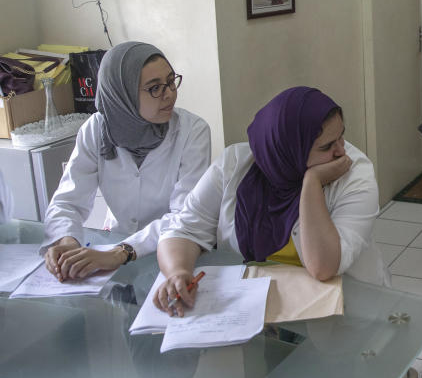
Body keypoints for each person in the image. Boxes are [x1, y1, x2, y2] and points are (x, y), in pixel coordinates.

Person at [154, 86, 390, 316]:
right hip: (254, 310)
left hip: (338, 313)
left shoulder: (354, 173)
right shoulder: (234, 165)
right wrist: (177, 272)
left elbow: (323, 266)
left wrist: (311, 184)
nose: (342, 152)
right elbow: (183, 229)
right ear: (286, 149)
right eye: (328, 146)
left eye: (342, 136)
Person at [41, 42, 211, 281]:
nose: (169, 93)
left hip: (177, 255)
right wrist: (68, 241)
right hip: (116, 255)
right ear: (123, 94)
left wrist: (121, 252)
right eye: (155, 88)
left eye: (171, 81)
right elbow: (67, 201)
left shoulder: (192, 131)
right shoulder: (96, 129)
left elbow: (184, 216)